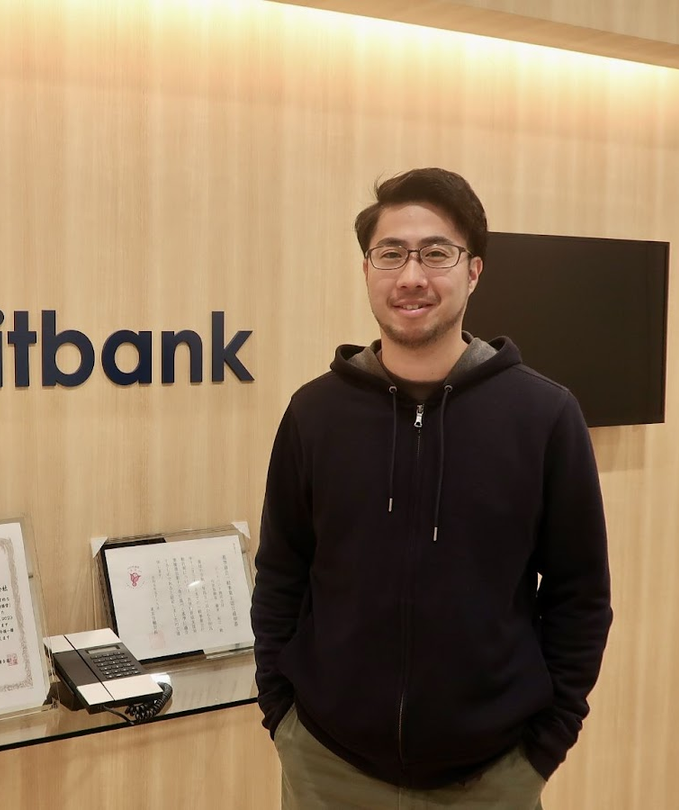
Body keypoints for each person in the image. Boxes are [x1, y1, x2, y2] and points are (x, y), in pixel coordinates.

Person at [250, 168, 612, 809]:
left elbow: (579, 597)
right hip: (326, 767)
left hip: (493, 777)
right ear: (367, 269)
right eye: (390, 254)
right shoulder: (314, 413)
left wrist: (543, 748)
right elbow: (282, 573)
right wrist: (282, 715)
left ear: (473, 271)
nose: (411, 276)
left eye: (435, 253)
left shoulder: (545, 416)